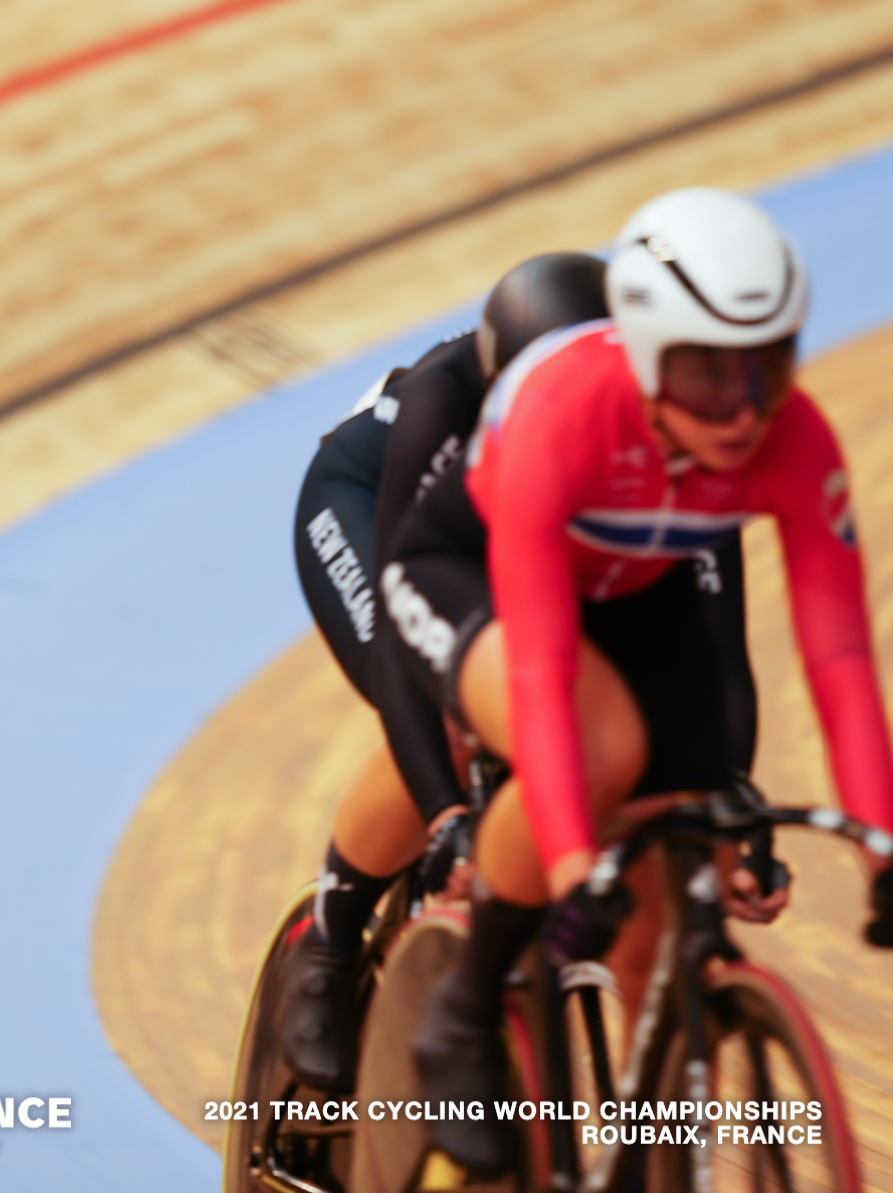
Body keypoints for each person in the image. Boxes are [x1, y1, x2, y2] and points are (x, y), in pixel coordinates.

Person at [380, 188, 893, 1176]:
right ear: (649, 354)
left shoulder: (798, 439)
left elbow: (838, 655)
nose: (743, 410)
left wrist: (878, 840)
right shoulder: (564, 414)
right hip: (468, 569)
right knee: (599, 747)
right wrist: (573, 858)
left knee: (679, 843)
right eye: (707, 374)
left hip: (624, 589)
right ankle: (465, 1004)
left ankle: (650, 1138)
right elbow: (537, 659)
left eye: (767, 366)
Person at [280, 252, 641, 1094]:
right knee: (443, 694)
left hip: (517, 519)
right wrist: (446, 814)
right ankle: (329, 941)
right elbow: (415, 621)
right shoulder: (445, 402)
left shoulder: (630, 406)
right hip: (368, 505)